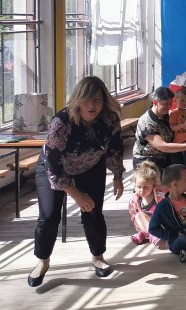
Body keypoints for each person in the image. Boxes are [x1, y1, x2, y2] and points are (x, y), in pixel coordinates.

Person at [28, 76, 125, 287]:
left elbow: (115, 148)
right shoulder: (61, 123)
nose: (92, 105)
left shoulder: (110, 119)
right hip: (54, 168)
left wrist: (118, 176)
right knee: (49, 216)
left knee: (93, 212)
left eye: (97, 99)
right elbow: (53, 164)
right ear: (77, 100)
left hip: (91, 167)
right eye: (87, 99)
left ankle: (98, 257)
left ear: (104, 100)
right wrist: (76, 194)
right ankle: (42, 261)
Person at [132, 86, 186, 171]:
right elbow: (162, 146)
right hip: (147, 161)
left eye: (170, 104)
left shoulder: (168, 115)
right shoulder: (147, 121)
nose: (169, 107)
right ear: (155, 102)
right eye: (165, 104)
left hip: (165, 157)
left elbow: (185, 130)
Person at [129, 160, 167, 247]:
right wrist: (138, 226)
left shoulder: (160, 196)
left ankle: (150, 235)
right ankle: (150, 234)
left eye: (146, 187)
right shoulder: (134, 200)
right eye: (139, 187)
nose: (141, 190)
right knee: (138, 216)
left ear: (153, 185)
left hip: (162, 225)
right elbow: (133, 215)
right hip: (147, 225)